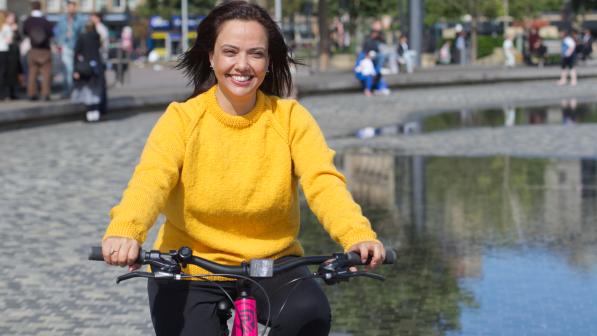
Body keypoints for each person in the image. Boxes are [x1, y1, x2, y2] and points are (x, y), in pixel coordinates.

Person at [100, 2, 386, 336]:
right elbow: (152, 178)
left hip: (272, 262)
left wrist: (356, 235)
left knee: (311, 316)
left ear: (268, 61)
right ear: (211, 57)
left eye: (256, 54)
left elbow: (323, 182)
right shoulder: (182, 119)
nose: (242, 65)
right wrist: (126, 230)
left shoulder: (290, 118)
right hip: (189, 264)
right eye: (230, 52)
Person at [71, 21, 106, 122]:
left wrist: (75, 69)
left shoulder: (82, 37)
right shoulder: (97, 37)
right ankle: (96, 113)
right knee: (95, 90)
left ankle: (90, 113)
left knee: (87, 90)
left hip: (85, 67)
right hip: (96, 66)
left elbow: (76, 53)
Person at [22, 1, 53, 101]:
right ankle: (45, 94)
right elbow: (51, 33)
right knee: (46, 73)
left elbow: (24, 32)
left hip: (33, 49)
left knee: (32, 72)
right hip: (45, 49)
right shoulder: (45, 21)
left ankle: (31, 93)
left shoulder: (28, 20)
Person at [54, 0, 85, 98]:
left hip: (76, 46)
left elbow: (82, 33)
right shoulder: (62, 19)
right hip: (65, 46)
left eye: (73, 7)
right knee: (67, 69)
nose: (71, 9)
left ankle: (76, 89)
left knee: (75, 69)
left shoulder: (80, 19)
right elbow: (57, 31)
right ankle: (68, 89)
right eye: (69, 7)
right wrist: (59, 42)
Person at [4, 11, 23, 100]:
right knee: (7, 73)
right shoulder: (4, 27)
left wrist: (16, 30)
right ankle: (7, 93)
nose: (12, 19)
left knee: (14, 73)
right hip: (7, 53)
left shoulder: (15, 28)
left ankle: (13, 93)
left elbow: (19, 38)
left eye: (13, 18)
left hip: (15, 53)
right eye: (10, 17)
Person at [0, 10, 12, 100]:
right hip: (3, 51)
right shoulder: (6, 27)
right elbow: (9, 41)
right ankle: (3, 94)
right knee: (3, 73)